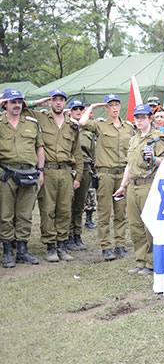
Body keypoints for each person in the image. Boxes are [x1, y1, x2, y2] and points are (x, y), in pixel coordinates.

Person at [113, 104, 164, 275]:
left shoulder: (159, 138)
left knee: (149, 225)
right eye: (136, 117)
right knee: (135, 224)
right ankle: (141, 260)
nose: (139, 120)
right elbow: (129, 165)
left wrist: (154, 160)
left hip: (149, 183)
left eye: (142, 117)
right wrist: (123, 186)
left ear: (150, 118)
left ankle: (152, 263)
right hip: (133, 185)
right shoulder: (134, 138)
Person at [27, 90, 83, 263]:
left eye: (61, 100)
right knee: (48, 209)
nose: (58, 103)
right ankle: (50, 246)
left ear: (65, 103)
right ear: (50, 102)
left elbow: (77, 153)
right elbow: (17, 107)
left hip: (66, 172)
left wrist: (78, 177)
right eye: (54, 100)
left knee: (65, 209)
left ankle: (62, 244)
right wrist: (37, 102)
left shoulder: (71, 125)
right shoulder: (41, 118)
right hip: (48, 171)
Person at [80, 94, 135, 261]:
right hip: (106, 175)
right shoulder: (100, 125)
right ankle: (106, 247)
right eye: (110, 105)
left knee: (120, 212)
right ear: (106, 108)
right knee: (104, 212)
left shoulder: (128, 128)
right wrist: (92, 107)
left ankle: (120, 245)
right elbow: (81, 123)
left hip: (122, 176)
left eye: (117, 104)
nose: (114, 108)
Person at [0, 89, 44, 268]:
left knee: (25, 214)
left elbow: (39, 148)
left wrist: (40, 170)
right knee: (5, 215)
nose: (17, 105)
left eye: (19, 102)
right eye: (13, 102)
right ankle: (8, 250)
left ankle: (23, 250)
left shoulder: (32, 123)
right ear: (5, 104)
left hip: (29, 173)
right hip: (6, 174)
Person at [66, 99, 95, 251]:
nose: (78, 111)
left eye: (80, 109)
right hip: (70, 169)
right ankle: (68, 236)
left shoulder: (88, 130)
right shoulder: (65, 127)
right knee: (67, 204)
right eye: (75, 109)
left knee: (79, 205)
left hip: (85, 169)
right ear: (70, 111)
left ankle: (77, 234)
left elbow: (93, 152)